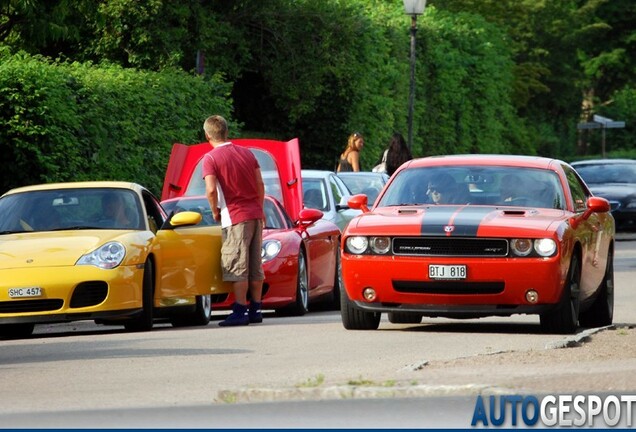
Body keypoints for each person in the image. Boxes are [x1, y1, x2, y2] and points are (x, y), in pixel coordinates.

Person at [202, 115, 265, 326]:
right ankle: (256, 308)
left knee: (237, 265)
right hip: (255, 214)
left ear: (207, 135)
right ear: (227, 132)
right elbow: (259, 184)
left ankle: (240, 310)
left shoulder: (210, 159)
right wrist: (260, 208)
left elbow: (211, 189)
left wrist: (215, 211)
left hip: (235, 215)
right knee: (255, 265)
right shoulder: (247, 154)